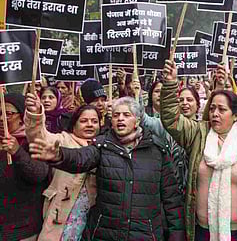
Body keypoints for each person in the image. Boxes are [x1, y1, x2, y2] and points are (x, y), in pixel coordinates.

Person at [29, 96, 185, 240]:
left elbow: (172, 198)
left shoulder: (157, 150)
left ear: (137, 121)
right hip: (107, 233)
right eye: (116, 115)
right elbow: (80, 158)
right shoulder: (102, 145)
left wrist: (177, 236)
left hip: (145, 234)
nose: (120, 119)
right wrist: (59, 155)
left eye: (126, 115)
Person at [159, 60, 237, 241]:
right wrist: (170, 84)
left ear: (236, 115)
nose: (215, 113)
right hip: (201, 231)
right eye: (213, 108)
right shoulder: (198, 133)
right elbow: (171, 119)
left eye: (222, 109)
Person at [24, 92, 99, 241]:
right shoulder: (63, 140)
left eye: (94, 121)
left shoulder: (104, 146)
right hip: (60, 219)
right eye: (84, 121)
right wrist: (35, 114)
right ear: (74, 124)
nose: (90, 124)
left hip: (91, 221)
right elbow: (39, 137)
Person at [0, 93, 49, 241]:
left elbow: (39, 174)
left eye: (8, 114)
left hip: (22, 228)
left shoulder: (33, 141)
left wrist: (17, 152)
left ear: (22, 117)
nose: (2, 119)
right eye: (0, 113)